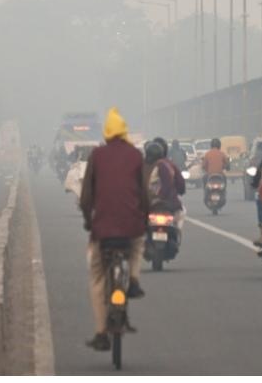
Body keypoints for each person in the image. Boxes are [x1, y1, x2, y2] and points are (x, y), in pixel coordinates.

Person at [79, 107, 150, 352]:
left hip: (104, 231)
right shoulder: (135, 155)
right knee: (139, 244)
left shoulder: (97, 155)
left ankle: (101, 332)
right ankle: (133, 279)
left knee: (98, 277)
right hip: (131, 228)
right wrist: (145, 219)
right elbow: (144, 194)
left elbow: (86, 195)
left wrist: (89, 221)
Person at [143, 138, 187, 236]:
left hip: (149, 205)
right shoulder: (168, 164)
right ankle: (176, 234)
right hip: (169, 204)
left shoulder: (142, 166)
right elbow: (180, 186)